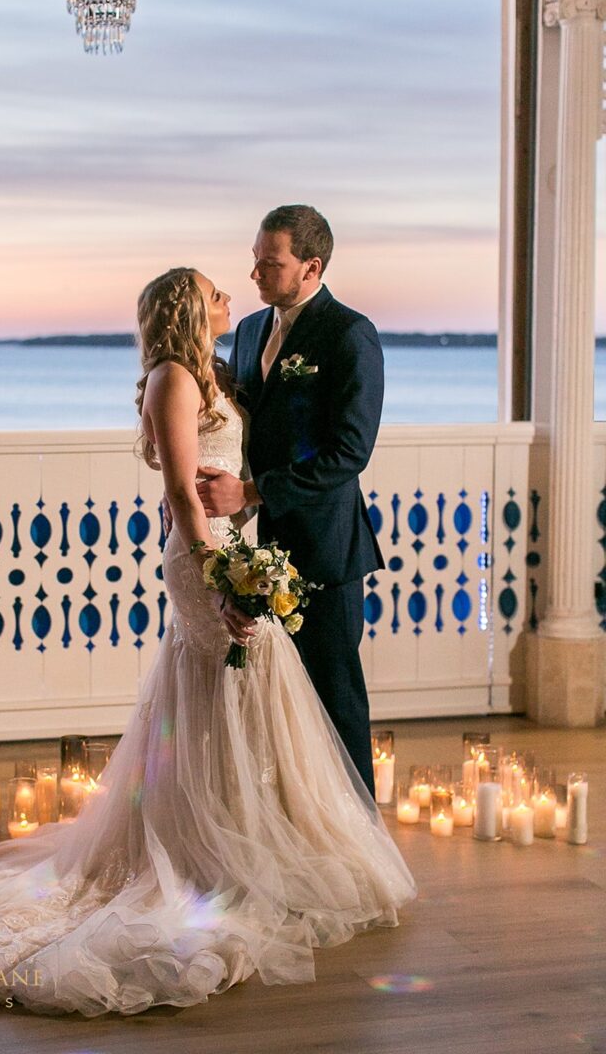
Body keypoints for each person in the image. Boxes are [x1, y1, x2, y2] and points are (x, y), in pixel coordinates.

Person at [0, 268, 414, 1018]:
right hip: (203, 556)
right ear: (188, 308)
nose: (231, 296)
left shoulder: (214, 367)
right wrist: (218, 573)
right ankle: (206, 852)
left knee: (248, 692)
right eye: (215, 290)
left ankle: (254, 836)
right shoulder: (172, 380)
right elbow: (183, 491)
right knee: (224, 683)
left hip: (232, 545)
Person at [196, 206, 384, 797]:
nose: (255, 274)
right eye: (254, 261)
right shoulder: (250, 331)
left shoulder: (349, 333)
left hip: (326, 551)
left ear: (312, 266)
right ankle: (296, 830)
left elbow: (349, 452)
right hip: (259, 552)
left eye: (269, 263)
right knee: (276, 706)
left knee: (335, 700)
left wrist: (250, 492)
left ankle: (361, 842)